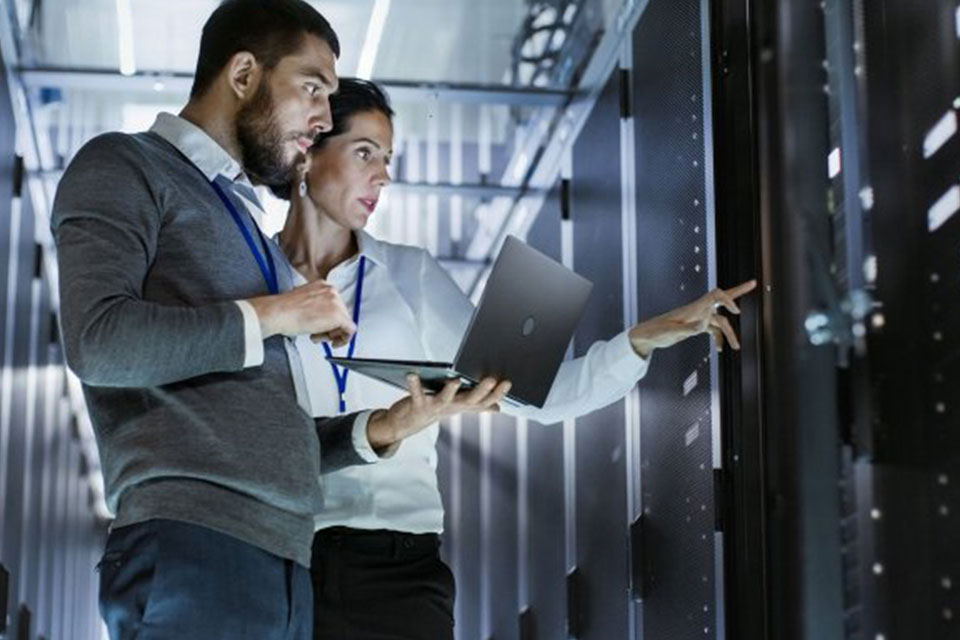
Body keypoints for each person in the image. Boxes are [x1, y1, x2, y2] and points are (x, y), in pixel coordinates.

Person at [51, 3, 508, 639]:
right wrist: (277, 312)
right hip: (193, 544)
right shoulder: (126, 165)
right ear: (243, 74)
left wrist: (385, 426)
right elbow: (99, 342)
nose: (322, 116)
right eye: (312, 88)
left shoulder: (243, 223)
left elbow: (268, 434)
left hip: (284, 561)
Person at [272, 78, 757, 640]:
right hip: (280, 560)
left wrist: (640, 341)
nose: (383, 176)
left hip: (398, 571)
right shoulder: (252, 281)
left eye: (387, 159)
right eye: (365, 153)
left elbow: (536, 398)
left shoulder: (411, 274)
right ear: (308, 151)